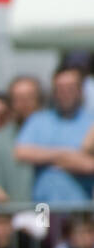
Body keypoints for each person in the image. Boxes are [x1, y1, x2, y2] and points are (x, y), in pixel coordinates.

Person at [13, 65, 94, 204]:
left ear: (80, 90)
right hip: (42, 205)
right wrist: (65, 155)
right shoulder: (38, 119)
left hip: (80, 206)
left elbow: (90, 165)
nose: (65, 93)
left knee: (81, 227)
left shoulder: (91, 122)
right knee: (40, 226)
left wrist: (45, 157)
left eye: (70, 88)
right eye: (60, 88)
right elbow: (21, 152)